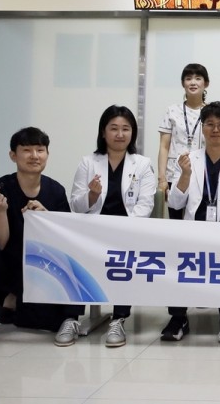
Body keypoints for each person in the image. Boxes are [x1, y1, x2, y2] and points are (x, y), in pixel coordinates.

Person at [0, 127, 79, 351]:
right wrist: (0, 211)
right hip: (8, 266)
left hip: (39, 269)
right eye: (26, 150)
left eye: (40, 150)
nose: (34, 156)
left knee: (52, 322)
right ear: (13, 155)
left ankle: (12, 302)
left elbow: (64, 240)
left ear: (47, 154)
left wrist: (46, 217)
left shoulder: (55, 191)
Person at [161, 101, 220, 343]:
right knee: (181, 267)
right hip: (194, 229)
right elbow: (175, 203)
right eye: (210, 124)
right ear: (202, 128)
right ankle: (178, 318)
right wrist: (184, 176)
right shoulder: (187, 160)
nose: (215, 130)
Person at [70, 105, 156, 347]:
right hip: (92, 232)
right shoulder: (88, 162)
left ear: (133, 133)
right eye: (114, 128)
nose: (120, 134)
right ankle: (71, 318)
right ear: (103, 132)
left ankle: (118, 319)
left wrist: (123, 230)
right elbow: (75, 205)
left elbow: (145, 205)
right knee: (73, 256)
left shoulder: (142, 164)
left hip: (126, 232)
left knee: (125, 255)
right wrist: (92, 195)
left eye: (126, 129)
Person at [158, 63, 209, 220]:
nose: (193, 82)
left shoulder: (211, 112)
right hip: (174, 174)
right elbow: (164, 146)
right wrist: (162, 179)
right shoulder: (172, 110)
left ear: (206, 84)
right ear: (183, 83)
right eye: (188, 78)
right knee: (175, 218)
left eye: (198, 78)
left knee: (198, 218)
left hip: (201, 174)